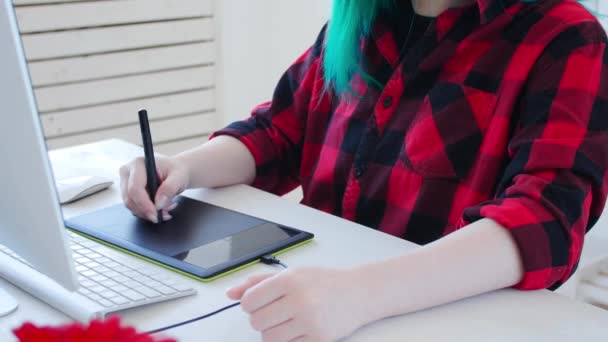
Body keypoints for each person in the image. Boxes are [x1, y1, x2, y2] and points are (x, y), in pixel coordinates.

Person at [120, 0, 608, 341]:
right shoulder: (359, 24)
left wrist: (356, 295)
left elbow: (544, 222)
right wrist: (181, 167)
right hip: (314, 301)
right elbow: (276, 133)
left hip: (439, 316)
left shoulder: (566, 39)